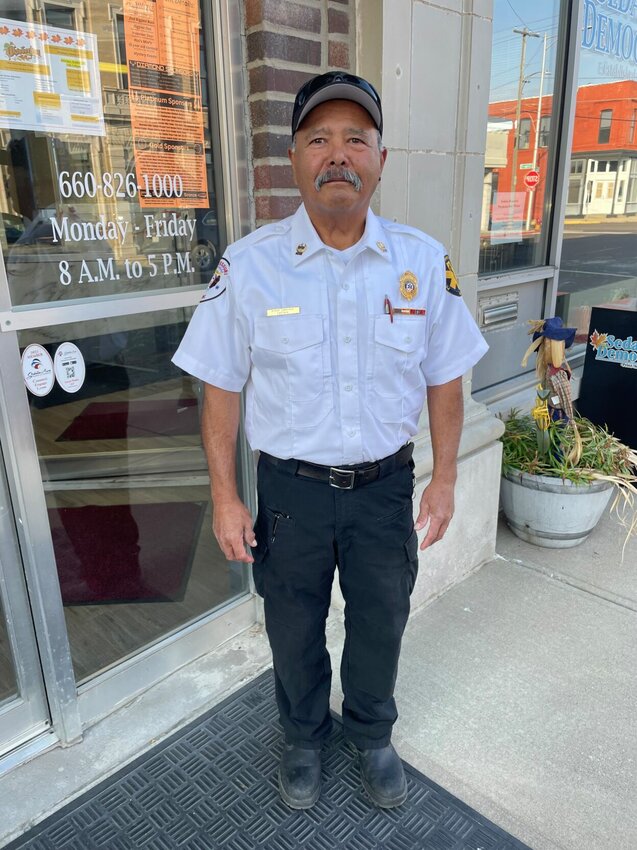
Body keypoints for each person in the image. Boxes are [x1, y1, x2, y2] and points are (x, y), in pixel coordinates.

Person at [173, 71, 488, 810]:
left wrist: (444, 479)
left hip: (383, 490)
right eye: (319, 139)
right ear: (294, 158)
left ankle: (371, 736)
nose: (337, 154)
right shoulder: (249, 267)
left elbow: (446, 380)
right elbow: (220, 385)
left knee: (381, 619)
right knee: (292, 627)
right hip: (290, 495)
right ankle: (302, 738)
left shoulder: (419, 262)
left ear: (381, 157)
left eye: (355, 139)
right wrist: (225, 498)